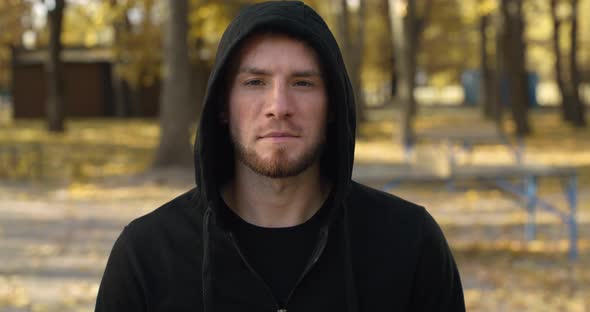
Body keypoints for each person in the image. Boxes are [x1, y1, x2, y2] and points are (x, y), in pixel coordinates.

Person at [95, 1, 465, 311]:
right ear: (223, 105)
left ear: (332, 104)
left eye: (302, 83)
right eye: (255, 83)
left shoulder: (409, 244)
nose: (279, 106)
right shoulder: (148, 255)